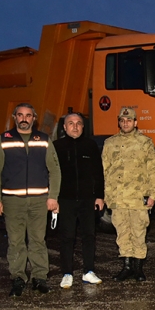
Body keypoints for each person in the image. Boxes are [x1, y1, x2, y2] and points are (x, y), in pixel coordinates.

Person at [0, 103, 61, 297]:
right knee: (16, 242)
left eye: (28, 116)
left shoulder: (44, 140)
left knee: (38, 240)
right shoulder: (4, 140)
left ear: (34, 118)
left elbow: (55, 170)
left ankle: (40, 278)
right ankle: (18, 279)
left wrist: (53, 197)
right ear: (14, 117)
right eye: (20, 115)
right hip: (13, 201)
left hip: (39, 201)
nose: (24, 119)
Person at [101, 107, 155, 282]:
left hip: (138, 197)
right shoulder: (110, 143)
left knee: (139, 232)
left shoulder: (145, 142)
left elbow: (153, 171)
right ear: (119, 122)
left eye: (129, 120)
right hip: (118, 197)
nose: (125, 123)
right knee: (122, 233)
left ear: (135, 122)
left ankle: (138, 268)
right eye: (122, 120)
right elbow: (105, 171)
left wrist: (153, 194)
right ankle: (126, 266)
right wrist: (106, 196)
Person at [53, 112, 105, 289]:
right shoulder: (56, 147)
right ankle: (67, 273)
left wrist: (99, 196)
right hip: (65, 200)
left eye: (78, 123)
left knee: (89, 236)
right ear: (64, 127)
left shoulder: (90, 146)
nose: (75, 126)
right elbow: (50, 174)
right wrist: (53, 199)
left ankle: (88, 271)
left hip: (87, 200)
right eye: (70, 123)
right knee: (67, 237)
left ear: (83, 127)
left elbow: (98, 172)